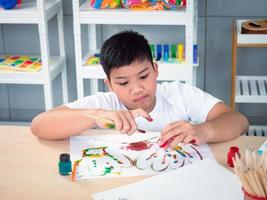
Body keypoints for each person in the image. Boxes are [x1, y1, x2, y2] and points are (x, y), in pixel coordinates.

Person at [31, 30, 249, 148]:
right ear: (110, 84)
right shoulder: (105, 104)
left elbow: (238, 120)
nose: (136, 89)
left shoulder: (180, 94)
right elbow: (40, 125)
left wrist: (203, 130)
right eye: (123, 83)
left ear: (156, 70)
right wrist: (96, 116)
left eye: (144, 76)